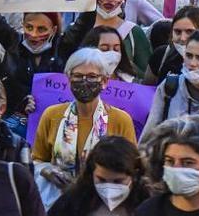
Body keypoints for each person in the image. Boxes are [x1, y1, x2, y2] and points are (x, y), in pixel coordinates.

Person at [32, 48, 139, 207]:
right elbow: (38, 159)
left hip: (102, 204)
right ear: (68, 80)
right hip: (57, 203)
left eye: (92, 77)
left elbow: (132, 167)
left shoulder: (120, 120)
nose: (84, 81)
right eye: (78, 76)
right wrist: (46, 170)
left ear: (104, 81)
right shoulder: (51, 115)